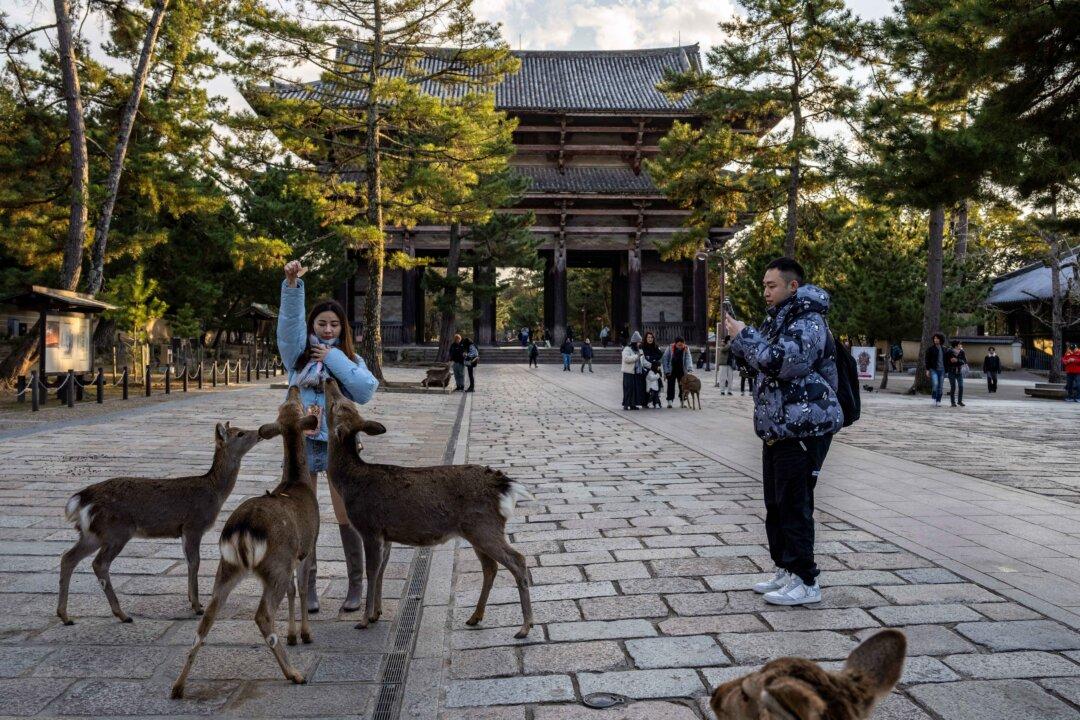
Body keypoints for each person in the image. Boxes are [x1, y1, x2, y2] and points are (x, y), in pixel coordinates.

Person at [726, 257, 842, 607]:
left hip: (803, 426)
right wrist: (740, 341)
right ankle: (786, 569)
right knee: (776, 504)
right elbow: (760, 362)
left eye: (771, 285)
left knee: (795, 504)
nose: (765, 291)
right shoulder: (779, 319)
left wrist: (746, 335)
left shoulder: (809, 321)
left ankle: (806, 580)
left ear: (793, 286)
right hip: (778, 425)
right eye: (764, 285)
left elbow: (784, 362)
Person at [279, 259, 378, 614]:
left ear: (342, 328)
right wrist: (292, 286)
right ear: (313, 325)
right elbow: (289, 326)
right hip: (303, 443)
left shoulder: (351, 359)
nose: (327, 328)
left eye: (334, 324)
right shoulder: (296, 357)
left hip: (339, 446)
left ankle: (355, 586)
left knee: (345, 513)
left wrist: (334, 357)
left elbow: (365, 391)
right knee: (306, 514)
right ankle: (308, 588)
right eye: (321, 323)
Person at [661, 336, 694, 408]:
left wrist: (689, 369)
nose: (680, 347)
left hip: (681, 370)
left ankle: (682, 401)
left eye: (682, 345)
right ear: (675, 344)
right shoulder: (670, 348)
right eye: (679, 345)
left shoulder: (686, 348)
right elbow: (665, 359)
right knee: (670, 386)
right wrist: (666, 371)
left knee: (682, 386)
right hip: (671, 370)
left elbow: (688, 359)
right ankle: (670, 401)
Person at [621, 332, 644, 410]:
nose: (639, 344)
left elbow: (641, 360)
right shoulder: (627, 349)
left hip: (636, 372)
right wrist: (637, 356)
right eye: (638, 342)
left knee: (634, 389)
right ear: (634, 342)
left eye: (640, 342)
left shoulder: (637, 350)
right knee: (628, 388)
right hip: (628, 372)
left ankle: (633, 404)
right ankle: (626, 404)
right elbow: (626, 359)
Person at [924, 332, 947, 407]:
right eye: (934, 338)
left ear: (941, 340)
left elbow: (947, 360)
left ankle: (938, 401)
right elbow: (927, 360)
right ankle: (934, 399)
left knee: (940, 386)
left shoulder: (944, 349)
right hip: (934, 369)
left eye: (937, 338)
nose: (936, 340)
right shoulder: (930, 349)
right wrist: (927, 370)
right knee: (935, 384)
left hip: (942, 370)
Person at [641, 332, 663, 407]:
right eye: (648, 337)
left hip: (655, 368)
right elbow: (643, 358)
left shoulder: (655, 346)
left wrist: (653, 358)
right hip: (646, 369)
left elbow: (659, 355)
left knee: (656, 385)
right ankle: (646, 401)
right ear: (645, 338)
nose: (650, 339)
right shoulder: (642, 347)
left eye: (651, 337)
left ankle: (656, 401)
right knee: (647, 386)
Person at [946, 339, 967, 407]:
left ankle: (959, 401)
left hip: (959, 371)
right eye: (959, 344)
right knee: (953, 387)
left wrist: (957, 360)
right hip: (951, 372)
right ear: (955, 346)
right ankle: (953, 402)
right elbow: (946, 361)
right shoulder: (949, 352)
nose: (961, 346)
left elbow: (964, 361)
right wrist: (951, 361)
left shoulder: (962, 352)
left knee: (961, 386)